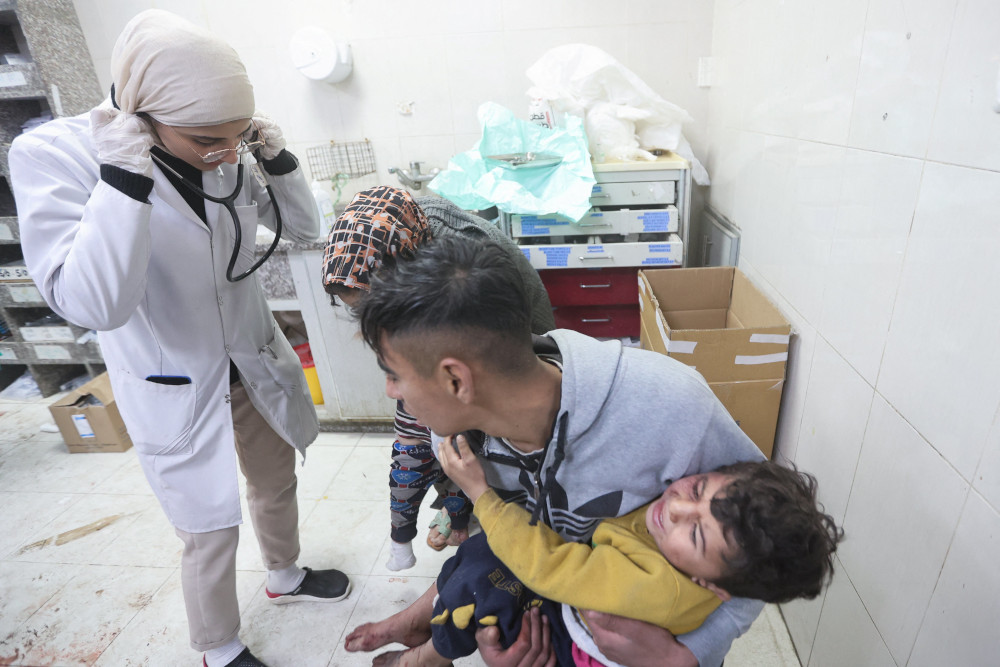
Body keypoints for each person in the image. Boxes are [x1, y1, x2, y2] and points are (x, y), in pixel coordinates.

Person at [9, 10, 349, 667]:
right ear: (142, 114)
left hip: (250, 355)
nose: (226, 153)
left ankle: (286, 573)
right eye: (207, 140)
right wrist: (123, 182)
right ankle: (217, 645)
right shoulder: (53, 155)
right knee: (208, 522)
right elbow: (92, 303)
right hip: (173, 374)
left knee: (276, 478)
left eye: (236, 137)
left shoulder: (223, 148)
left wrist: (273, 159)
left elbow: (303, 228)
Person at [344, 235, 768, 667]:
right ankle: (425, 634)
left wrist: (687, 658)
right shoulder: (456, 440)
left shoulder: (672, 407)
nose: (390, 390)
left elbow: (767, 554)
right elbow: (517, 541)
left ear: (456, 381)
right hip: (561, 605)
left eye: (394, 374)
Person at [359, 441, 842, 666]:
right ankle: (415, 621)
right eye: (695, 488)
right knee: (488, 547)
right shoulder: (692, 533)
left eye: (695, 534)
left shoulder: (657, 589)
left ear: (713, 587)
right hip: (581, 589)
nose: (675, 509)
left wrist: (481, 494)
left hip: (575, 641)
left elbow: (551, 569)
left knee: (483, 591)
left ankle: (425, 658)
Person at [321, 186, 555, 571]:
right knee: (428, 437)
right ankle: (460, 502)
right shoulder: (394, 234)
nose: (389, 388)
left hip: (513, 342)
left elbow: (497, 377)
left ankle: (488, 509)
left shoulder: (465, 265)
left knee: (474, 438)